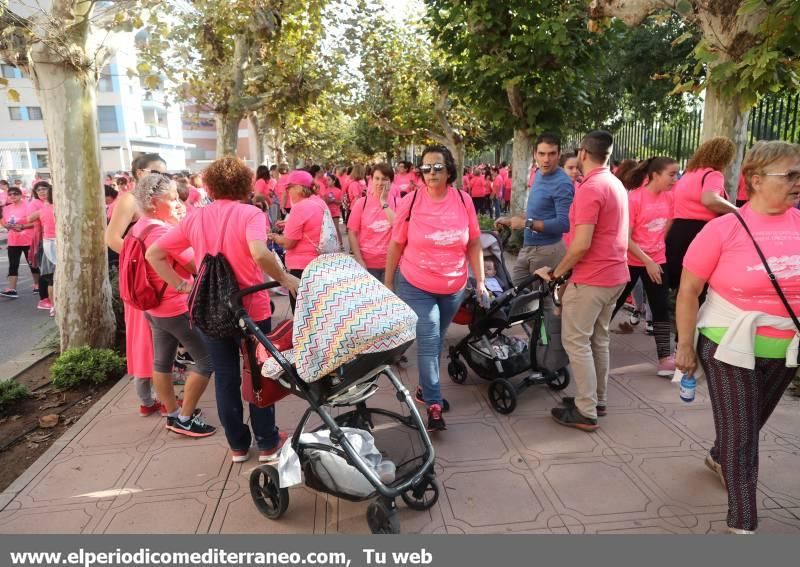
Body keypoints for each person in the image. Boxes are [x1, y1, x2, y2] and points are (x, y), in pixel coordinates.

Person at [675, 140, 800, 534]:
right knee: (743, 436)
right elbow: (688, 291)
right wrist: (683, 346)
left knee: (747, 423)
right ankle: (742, 523)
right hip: (727, 343)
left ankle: (719, 454)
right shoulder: (723, 229)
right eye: (791, 174)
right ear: (756, 180)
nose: (799, 181)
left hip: (785, 346)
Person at [147, 156, 299, 462]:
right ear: (244, 184)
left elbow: (155, 252)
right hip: (251, 308)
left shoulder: (195, 217)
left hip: (210, 310)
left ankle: (238, 446)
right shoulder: (250, 214)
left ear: (211, 185)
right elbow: (259, 252)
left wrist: (181, 285)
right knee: (259, 374)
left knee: (226, 377)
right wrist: (284, 278)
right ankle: (268, 442)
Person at [385, 145, 486, 432]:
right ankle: (433, 403)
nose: (431, 173)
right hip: (416, 283)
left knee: (437, 340)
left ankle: (423, 389)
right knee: (429, 339)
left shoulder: (464, 201)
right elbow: (396, 244)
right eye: (426, 168)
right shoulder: (411, 201)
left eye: (437, 167)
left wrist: (479, 280)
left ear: (449, 170)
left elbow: (474, 242)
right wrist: (389, 281)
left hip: (454, 285)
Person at [537, 131, 629, 432]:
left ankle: (585, 409)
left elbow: (581, 245)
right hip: (616, 276)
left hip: (593, 278)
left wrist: (557, 274)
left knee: (576, 342)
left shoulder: (591, 189)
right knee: (598, 339)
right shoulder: (615, 183)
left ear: (583, 153)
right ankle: (596, 400)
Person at [131, 174, 216, 438]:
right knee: (206, 361)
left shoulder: (141, 226)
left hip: (153, 308)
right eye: (172, 199)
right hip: (176, 306)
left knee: (162, 362)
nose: (179, 203)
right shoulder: (161, 231)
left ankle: (171, 413)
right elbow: (197, 265)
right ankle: (186, 417)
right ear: (155, 202)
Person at [105, 153, 167, 415]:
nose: (160, 177)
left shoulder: (151, 198)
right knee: (144, 336)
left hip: (156, 275)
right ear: (139, 173)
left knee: (158, 335)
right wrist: (144, 259)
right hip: (141, 278)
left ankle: (158, 391)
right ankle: (148, 398)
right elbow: (111, 238)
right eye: (155, 171)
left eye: (164, 173)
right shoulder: (130, 199)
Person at [610, 157, 679, 376]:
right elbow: (625, 238)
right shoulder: (635, 199)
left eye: (677, 174)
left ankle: (665, 358)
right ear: (655, 175)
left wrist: (654, 256)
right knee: (613, 304)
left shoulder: (670, 198)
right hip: (631, 261)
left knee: (661, 308)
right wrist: (647, 259)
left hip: (657, 261)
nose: (675, 179)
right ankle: (592, 345)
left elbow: (666, 228)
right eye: (671, 174)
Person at [495, 133, 575, 291]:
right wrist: (512, 220)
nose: (546, 159)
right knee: (516, 294)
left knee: (543, 303)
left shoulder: (562, 183)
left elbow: (563, 224)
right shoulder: (538, 174)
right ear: (535, 154)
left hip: (548, 250)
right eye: (542, 154)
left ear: (559, 155)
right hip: (528, 247)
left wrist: (526, 223)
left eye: (552, 154)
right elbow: (538, 211)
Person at [666, 137, 738, 301]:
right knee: (698, 288)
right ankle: (691, 324)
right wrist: (739, 211)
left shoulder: (688, 174)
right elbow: (709, 199)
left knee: (681, 284)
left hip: (678, 231)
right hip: (701, 233)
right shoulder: (713, 175)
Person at [269, 170, 326, 312]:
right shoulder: (319, 202)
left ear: (299, 188)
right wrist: (289, 224)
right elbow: (311, 227)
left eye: (289, 188)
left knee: (302, 316)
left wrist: (276, 237)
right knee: (317, 312)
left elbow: (289, 243)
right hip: (320, 264)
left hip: (301, 269)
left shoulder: (300, 208)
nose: (288, 192)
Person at [348, 163, 396, 282]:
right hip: (367, 264)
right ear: (371, 179)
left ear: (391, 181)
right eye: (377, 178)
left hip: (392, 265)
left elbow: (397, 226)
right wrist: (359, 259)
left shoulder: (398, 202)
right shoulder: (361, 203)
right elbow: (352, 233)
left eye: (384, 179)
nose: (380, 183)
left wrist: (383, 202)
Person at [1, 185, 40, 298]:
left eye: (15, 193)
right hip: (13, 240)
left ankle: (37, 285)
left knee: (32, 263)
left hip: (28, 239)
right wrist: (7, 225)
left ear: (21, 194)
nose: (12, 195)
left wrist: (23, 226)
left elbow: (36, 221)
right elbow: (4, 222)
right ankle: (12, 289)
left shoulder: (29, 205)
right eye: (10, 194)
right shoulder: (6, 208)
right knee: (13, 265)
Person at [36, 183, 56, 317]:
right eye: (39, 190)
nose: (42, 192)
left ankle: (55, 306)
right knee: (52, 278)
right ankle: (53, 306)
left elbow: (29, 219)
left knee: (54, 278)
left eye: (44, 189)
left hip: (53, 242)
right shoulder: (40, 206)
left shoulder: (49, 207)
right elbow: (29, 219)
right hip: (49, 243)